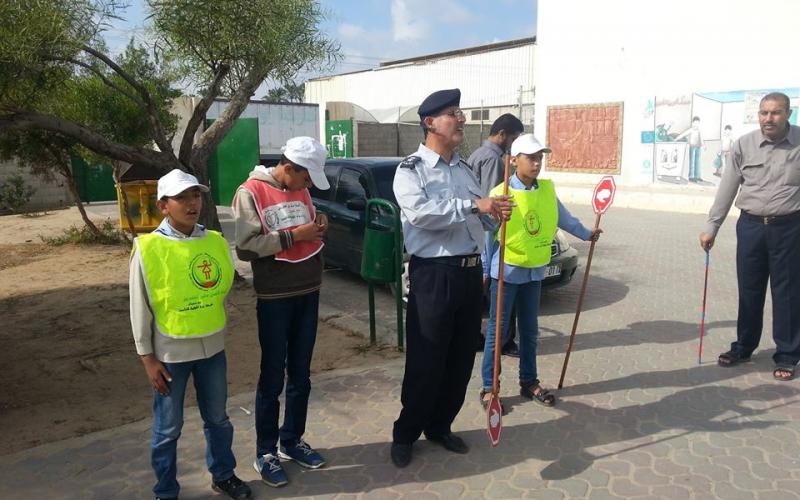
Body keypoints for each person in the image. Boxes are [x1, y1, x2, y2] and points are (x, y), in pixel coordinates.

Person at [389, 88, 514, 468]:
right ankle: (405, 433)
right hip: (434, 276)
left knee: (460, 360)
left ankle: (440, 426)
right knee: (427, 360)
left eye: (460, 113)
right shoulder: (411, 169)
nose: (461, 119)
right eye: (452, 113)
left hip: (469, 274)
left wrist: (495, 216)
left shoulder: (463, 169)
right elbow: (422, 215)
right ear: (430, 123)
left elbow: (480, 217)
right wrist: (474, 205)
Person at [130, 169, 251, 500]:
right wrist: (147, 358)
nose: (191, 203)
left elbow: (222, 286)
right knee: (168, 430)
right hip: (170, 356)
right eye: (181, 197)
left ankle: (224, 475)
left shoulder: (213, 240)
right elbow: (139, 306)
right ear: (163, 205)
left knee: (218, 420)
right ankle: (166, 491)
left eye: (195, 195)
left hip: (212, 349)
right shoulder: (148, 247)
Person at [233, 137, 330, 487]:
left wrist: (318, 226)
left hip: (309, 291)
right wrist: (295, 235)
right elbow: (246, 248)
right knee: (272, 376)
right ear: (288, 168)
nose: (308, 186)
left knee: (301, 375)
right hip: (275, 297)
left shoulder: (299, 188)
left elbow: (306, 227)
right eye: (306, 178)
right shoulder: (251, 192)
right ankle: (265, 452)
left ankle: (292, 440)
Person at [480, 134, 601, 410]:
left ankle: (528, 381)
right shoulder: (501, 193)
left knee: (530, 331)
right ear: (515, 161)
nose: (537, 163)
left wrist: (586, 234)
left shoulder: (546, 190)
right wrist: (486, 271)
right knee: (497, 333)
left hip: (534, 272)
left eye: (540, 158)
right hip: (507, 272)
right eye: (531, 158)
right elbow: (487, 236)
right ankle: (490, 387)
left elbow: (563, 217)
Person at [699, 92, 800, 382]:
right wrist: (712, 226)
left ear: (788, 114)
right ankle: (744, 346)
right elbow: (727, 188)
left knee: (788, 293)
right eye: (764, 113)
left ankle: (788, 354)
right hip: (751, 228)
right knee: (750, 289)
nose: (768, 118)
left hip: (790, 229)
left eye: (776, 113)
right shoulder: (744, 145)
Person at [467, 113, 525, 356]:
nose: (513, 144)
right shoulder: (492, 160)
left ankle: (479, 337)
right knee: (497, 286)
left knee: (482, 288)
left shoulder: (476, 155)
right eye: (513, 138)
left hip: (475, 231)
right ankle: (502, 341)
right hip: (489, 232)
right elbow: (494, 201)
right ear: (502, 135)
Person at [675, 116, 705, 182]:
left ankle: (697, 176)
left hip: (698, 147)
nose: (696, 125)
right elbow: (683, 134)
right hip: (692, 147)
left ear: (699, 124)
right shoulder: (691, 130)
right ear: (692, 123)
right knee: (692, 162)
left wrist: (704, 145)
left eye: (697, 123)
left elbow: (702, 139)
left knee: (698, 162)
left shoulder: (699, 131)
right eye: (695, 123)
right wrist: (677, 138)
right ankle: (691, 176)